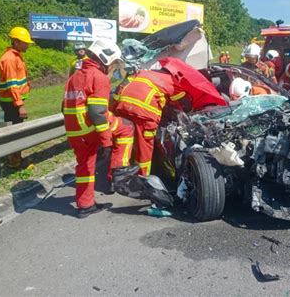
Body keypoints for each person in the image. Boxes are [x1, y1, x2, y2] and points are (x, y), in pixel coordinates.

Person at [63, 39, 135, 218]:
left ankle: (85, 205)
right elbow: (97, 112)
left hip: (74, 130)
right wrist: (106, 142)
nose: (113, 68)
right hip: (89, 127)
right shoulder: (99, 77)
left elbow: (63, 107)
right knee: (126, 127)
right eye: (113, 64)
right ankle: (120, 170)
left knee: (85, 166)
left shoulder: (74, 76)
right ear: (106, 59)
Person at [111, 63, 193, 177]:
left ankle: (115, 175)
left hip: (122, 107)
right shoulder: (171, 81)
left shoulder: (144, 72)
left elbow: (121, 87)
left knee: (122, 142)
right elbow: (186, 104)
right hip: (144, 114)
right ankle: (143, 177)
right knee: (144, 147)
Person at [0, 26, 34, 168]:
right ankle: (14, 162)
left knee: (16, 130)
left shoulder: (15, 56)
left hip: (13, 100)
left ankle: (15, 159)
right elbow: (12, 84)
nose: (27, 45)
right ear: (16, 42)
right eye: (25, 42)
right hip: (11, 102)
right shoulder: (9, 59)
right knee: (15, 132)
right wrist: (20, 105)